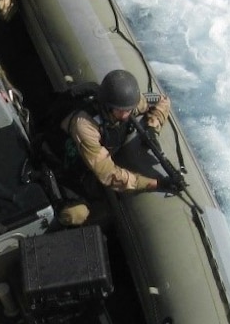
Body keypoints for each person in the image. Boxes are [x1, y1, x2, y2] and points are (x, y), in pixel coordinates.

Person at [57, 69, 174, 226]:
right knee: (75, 214)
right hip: (70, 168)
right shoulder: (85, 126)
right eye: (122, 111)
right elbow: (110, 175)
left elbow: (162, 100)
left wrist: (153, 128)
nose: (127, 115)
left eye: (129, 110)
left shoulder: (126, 106)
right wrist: (156, 183)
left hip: (93, 162)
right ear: (108, 106)